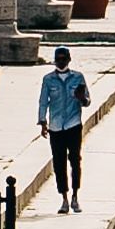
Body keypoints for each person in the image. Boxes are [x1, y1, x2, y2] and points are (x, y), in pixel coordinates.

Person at [36, 53, 92, 214]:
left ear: (68, 60)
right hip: (55, 127)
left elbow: (87, 101)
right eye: (58, 59)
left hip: (73, 125)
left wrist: (82, 98)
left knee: (75, 160)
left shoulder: (78, 77)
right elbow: (43, 102)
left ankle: (75, 196)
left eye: (63, 59)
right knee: (59, 163)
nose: (61, 62)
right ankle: (64, 198)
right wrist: (42, 121)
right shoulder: (48, 79)